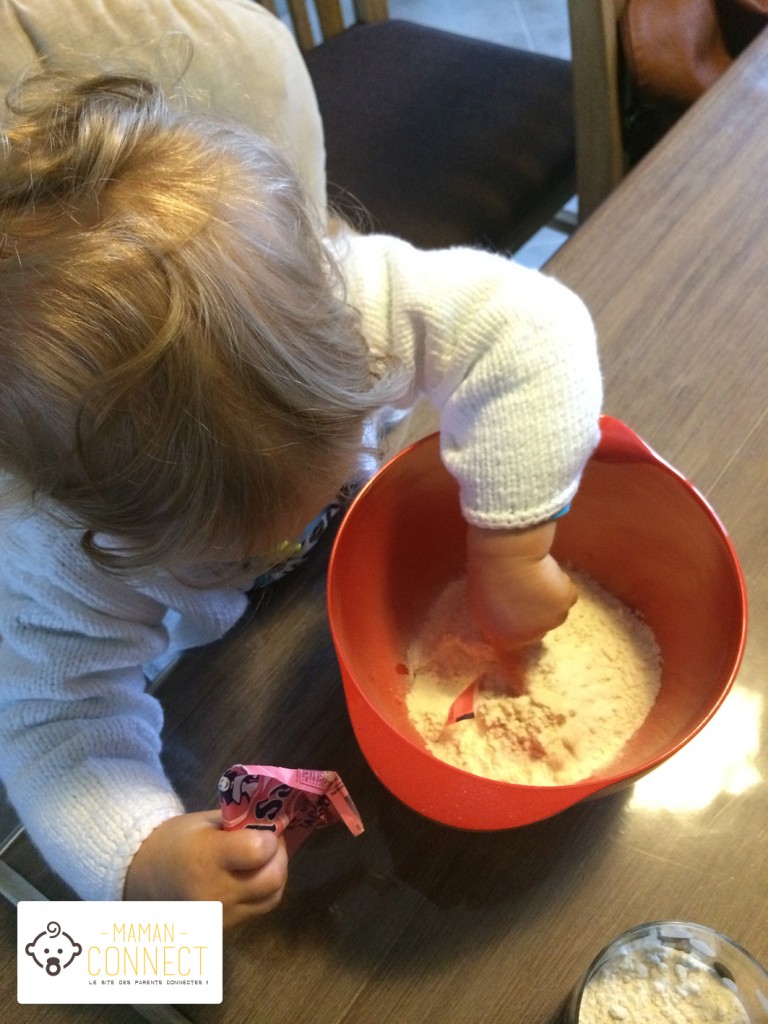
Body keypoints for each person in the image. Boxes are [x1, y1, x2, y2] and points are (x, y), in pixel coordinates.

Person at [0, 60, 602, 927]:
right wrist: (146, 861)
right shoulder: (61, 555)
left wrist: (514, 549)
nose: (281, 541)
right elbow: (53, 721)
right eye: (233, 548)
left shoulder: (348, 306)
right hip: (208, 674)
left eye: (323, 460)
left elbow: (529, 327)